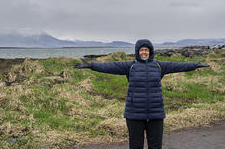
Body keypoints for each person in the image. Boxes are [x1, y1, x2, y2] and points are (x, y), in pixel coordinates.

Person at [75, 39, 209, 149]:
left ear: (150, 52)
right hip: (134, 113)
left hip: (155, 113)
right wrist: (92, 66)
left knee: (155, 146)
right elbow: (111, 66)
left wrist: (194, 65)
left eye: (146, 50)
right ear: (137, 52)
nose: (144, 52)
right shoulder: (131, 65)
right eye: (141, 50)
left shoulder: (159, 65)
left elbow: (177, 66)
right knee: (135, 146)